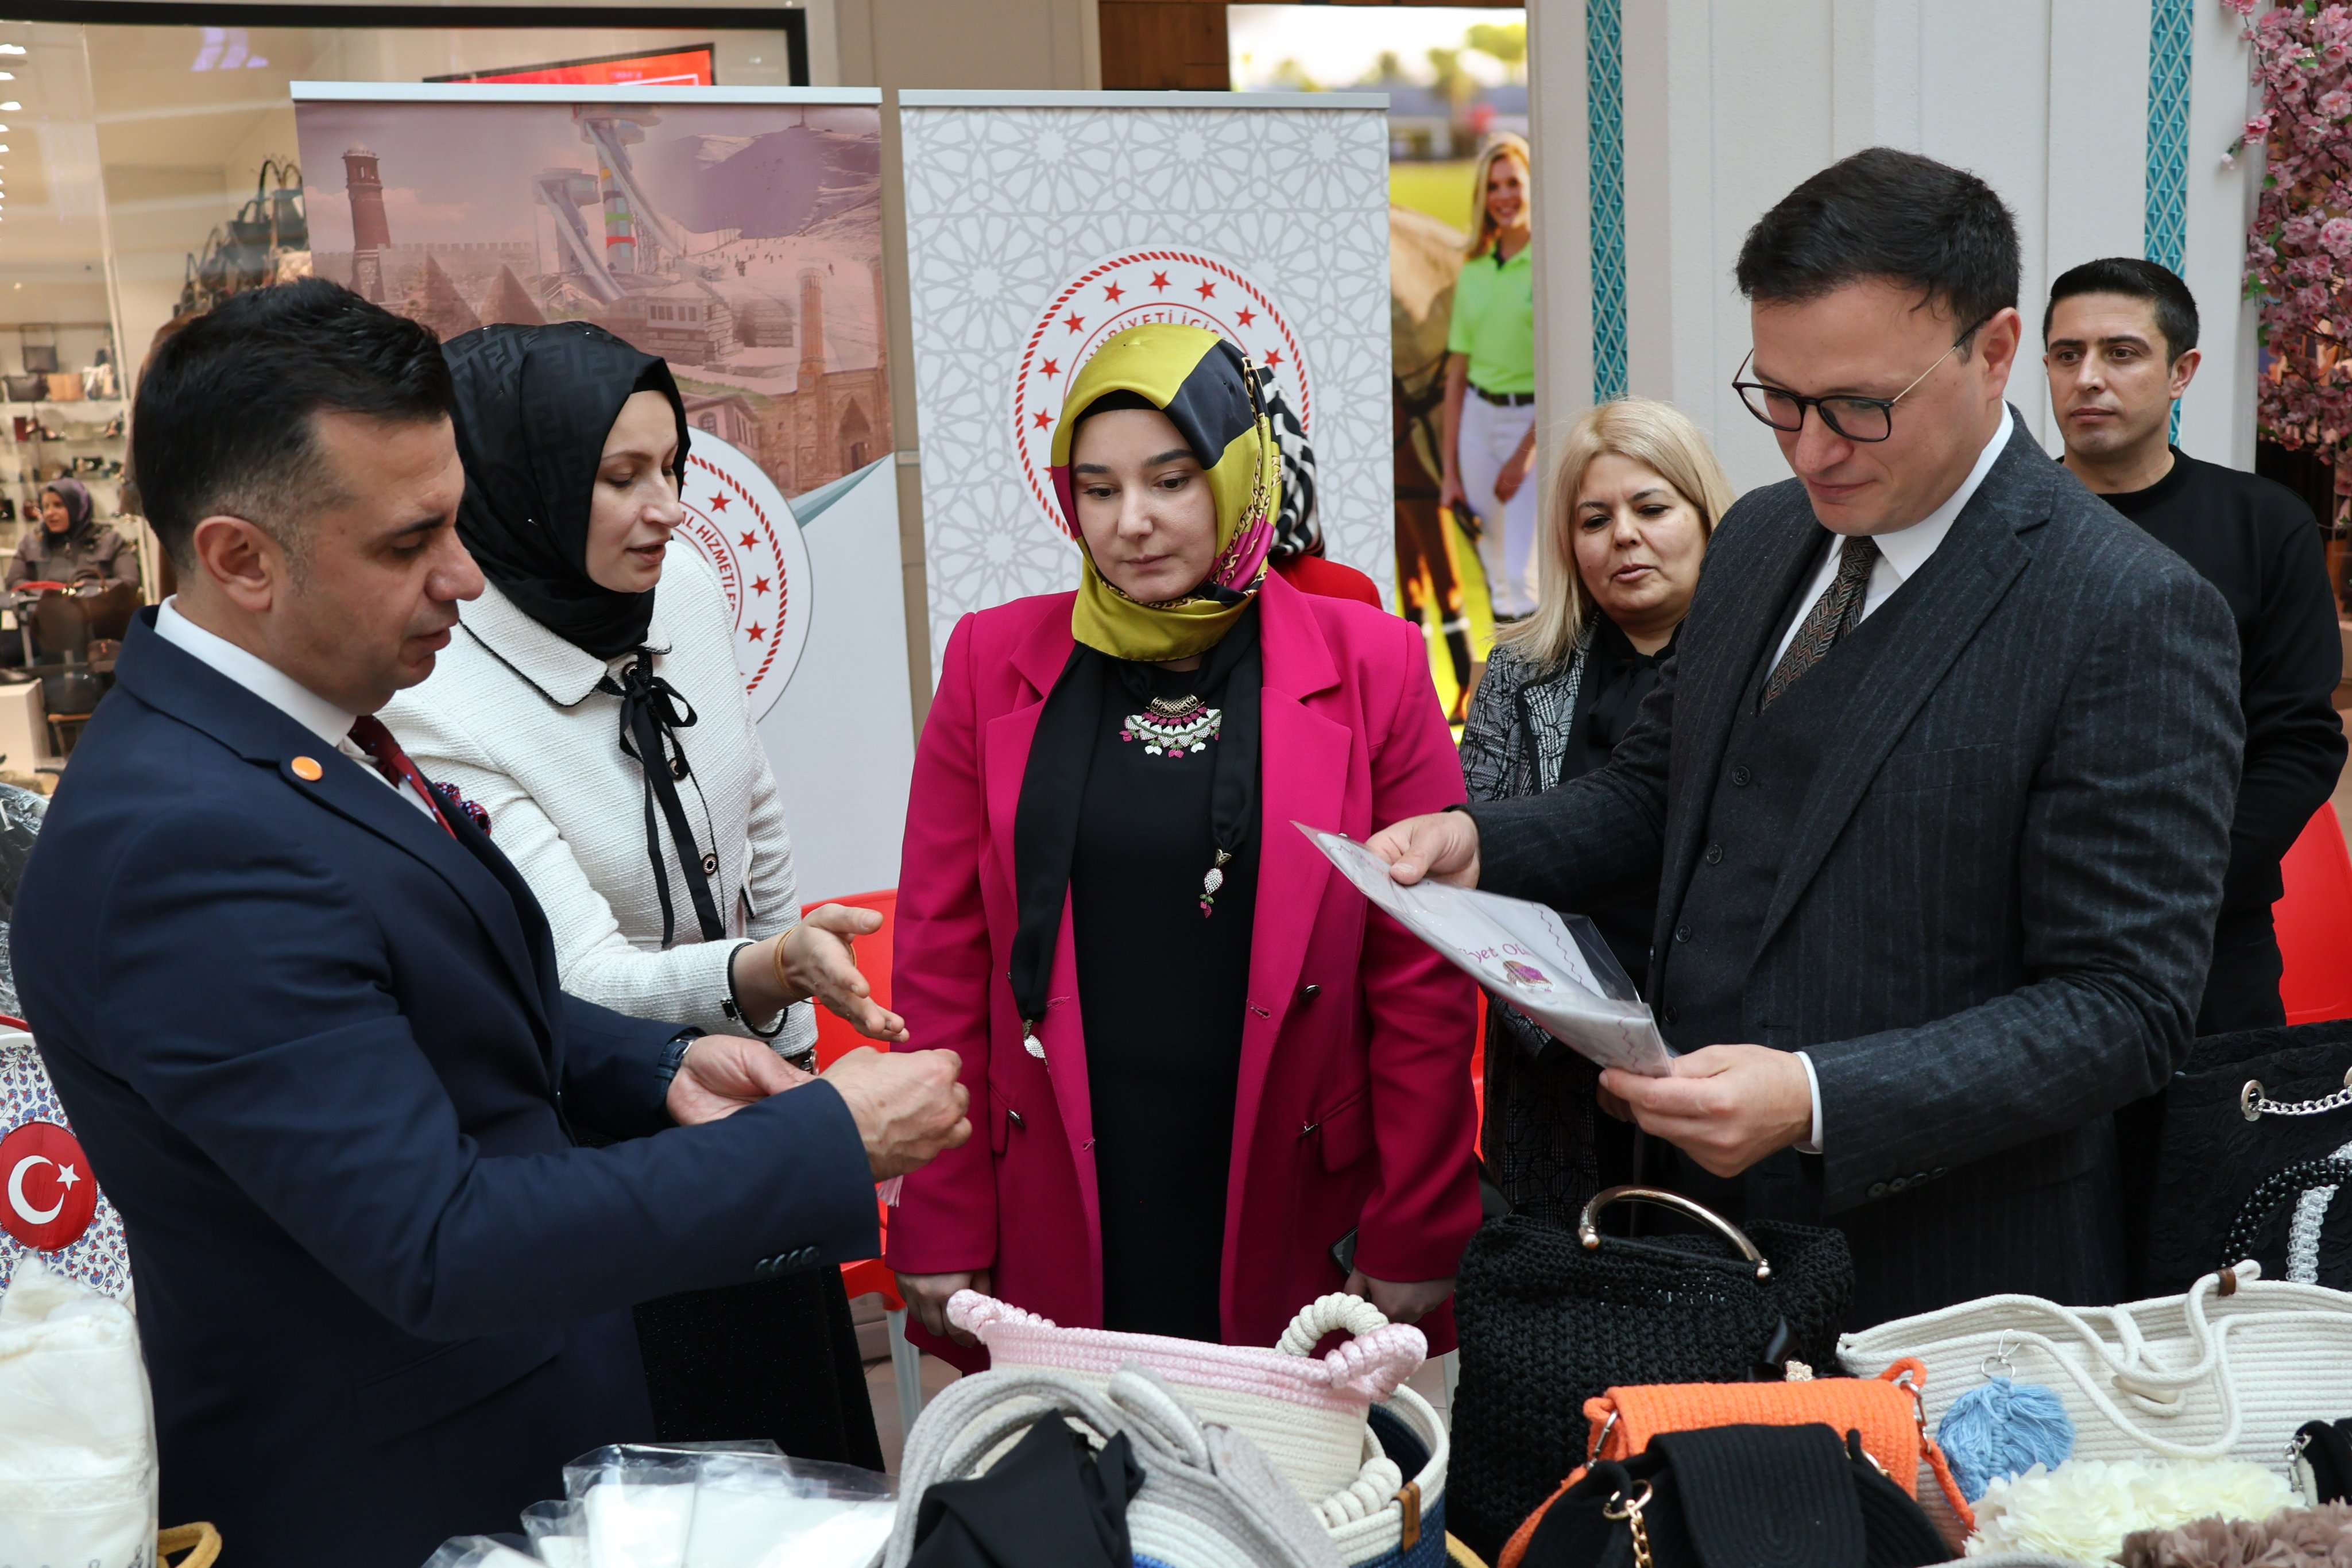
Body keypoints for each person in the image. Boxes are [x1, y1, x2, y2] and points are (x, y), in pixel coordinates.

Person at [9, 279, 971, 1568]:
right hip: (396, 1501)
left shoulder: (299, 730)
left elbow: (431, 995)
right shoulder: (183, 846)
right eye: (410, 543)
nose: (465, 576)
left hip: (516, 1433)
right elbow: (437, 1240)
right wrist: (822, 1140)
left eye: (458, 521)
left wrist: (657, 1065)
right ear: (240, 559)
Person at [1370, 148, 2244, 1324]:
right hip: (1692, 1236)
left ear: (1992, 353)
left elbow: (2121, 1008)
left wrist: (1817, 1097)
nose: (1809, 448)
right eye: (1777, 399)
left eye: (1858, 408)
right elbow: (1658, 789)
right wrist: (1481, 844)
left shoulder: (2125, 609)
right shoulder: (1760, 538)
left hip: (1942, 1271)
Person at [887, 323, 1479, 1363]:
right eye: (1099, 489)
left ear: (1239, 476)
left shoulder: (1374, 665)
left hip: (1292, 1183)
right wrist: (939, 1211)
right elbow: (940, 956)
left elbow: (1421, 973)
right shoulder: (992, 661)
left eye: (1171, 480)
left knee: (1281, 1463)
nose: (1133, 521)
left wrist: (1417, 1216)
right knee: (1073, 1457)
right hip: (1057, 1178)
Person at [381, 322, 902, 1466]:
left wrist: (791, 1040)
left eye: (673, 468)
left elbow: (755, 811)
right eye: (622, 478)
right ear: (518, 486)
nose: (667, 509)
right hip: (600, 1151)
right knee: (696, 1466)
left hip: (742, 1092)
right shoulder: (438, 696)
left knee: (809, 1444)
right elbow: (576, 975)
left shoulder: (683, 592)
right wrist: (765, 973)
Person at [2043, 257, 2346, 1032]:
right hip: (2022, 948)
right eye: (2067, 354)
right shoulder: (2001, 527)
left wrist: (2187, 886)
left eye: (2121, 352)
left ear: (2181, 372)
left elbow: (2299, 741)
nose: (2088, 378)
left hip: (2210, 940)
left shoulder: (2262, 523)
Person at [1459, 396, 1733, 1224]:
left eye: (1652, 508)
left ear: (1707, 517)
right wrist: (1585, 1042)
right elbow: (1479, 886)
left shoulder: (1769, 669)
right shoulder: (1517, 672)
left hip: (1728, 1070)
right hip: (1557, 1079)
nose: (1624, 536)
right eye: (1595, 519)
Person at [1439, 132, 1539, 620]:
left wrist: (1523, 456)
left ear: (1532, 185)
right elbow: (1456, 377)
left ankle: (1545, 668)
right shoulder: (1474, 271)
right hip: (1478, 421)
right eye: (1494, 186)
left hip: (1532, 423)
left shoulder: (1545, 266)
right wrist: (1449, 474)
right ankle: (1506, 668)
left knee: (1524, 574)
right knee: (1495, 571)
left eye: (1514, 183)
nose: (1504, 196)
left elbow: (1557, 369)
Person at [6, 478, 140, 592]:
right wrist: (49, 591)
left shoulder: (109, 541)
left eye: (58, 505)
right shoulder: (31, 543)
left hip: (96, 611)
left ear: (78, 508)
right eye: (45, 507)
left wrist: (88, 587)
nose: (49, 513)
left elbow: (130, 582)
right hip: (45, 611)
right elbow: (13, 583)